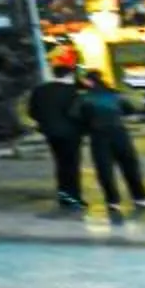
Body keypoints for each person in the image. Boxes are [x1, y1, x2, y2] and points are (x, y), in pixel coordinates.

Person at [79, 74, 145, 214]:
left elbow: (78, 116)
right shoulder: (115, 95)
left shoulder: (84, 98)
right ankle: (140, 197)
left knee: (105, 169)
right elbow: (130, 109)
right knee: (130, 165)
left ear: (89, 82)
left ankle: (113, 201)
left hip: (99, 135)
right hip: (119, 133)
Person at [29, 75, 87, 209]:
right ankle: (74, 198)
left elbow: (32, 112)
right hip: (71, 133)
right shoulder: (73, 91)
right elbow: (80, 112)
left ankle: (64, 197)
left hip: (51, 133)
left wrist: (46, 123)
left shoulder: (40, 90)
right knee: (72, 165)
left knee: (60, 164)